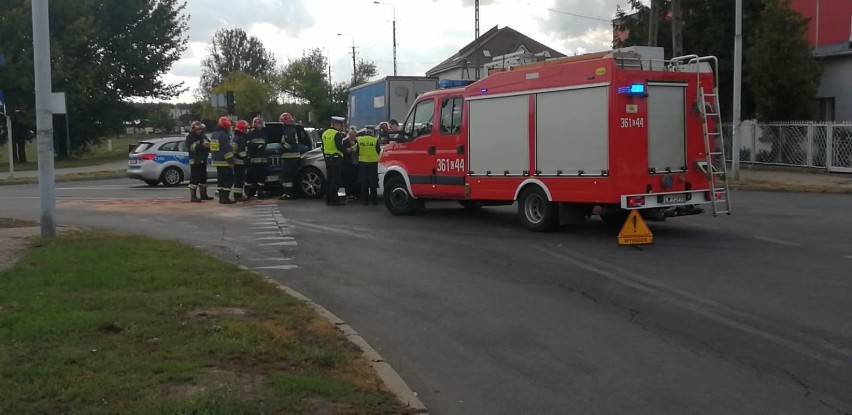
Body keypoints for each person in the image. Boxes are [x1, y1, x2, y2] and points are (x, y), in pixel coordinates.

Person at [321, 116, 347, 206]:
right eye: (340, 125)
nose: (341, 127)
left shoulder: (325, 133)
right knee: (335, 180)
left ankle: (328, 199)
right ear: (336, 124)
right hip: (336, 159)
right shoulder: (337, 134)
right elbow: (339, 146)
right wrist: (346, 150)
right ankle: (334, 200)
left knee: (329, 180)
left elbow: (323, 147)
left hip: (328, 159)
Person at [185, 121, 213, 202]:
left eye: (201, 129)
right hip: (195, 161)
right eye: (198, 129)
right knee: (194, 178)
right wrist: (201, 145)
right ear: (194, 129)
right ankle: (193, 196)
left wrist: (209, 146)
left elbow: (209, 144)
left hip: (203, 160)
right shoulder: (190, 137)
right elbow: (190, 147)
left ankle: (203, 195)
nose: (200, 131)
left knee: (203, 178)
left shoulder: (203, 136)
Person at [211, 116, 235, 204]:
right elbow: (226, 149)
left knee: (220, 180)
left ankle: (221, 198)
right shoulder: (224, 135)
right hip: (224, 161)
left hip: (216, 160)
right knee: (229, 179)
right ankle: (225, 198)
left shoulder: (214, 134)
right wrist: (231, 161)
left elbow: (213, 148)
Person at [278, 112, 302, 199]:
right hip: (292, 157)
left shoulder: (288, 130)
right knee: (289, 176)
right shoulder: (291, 129)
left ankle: (288, 194)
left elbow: (288, 144)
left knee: (287, 177)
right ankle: (290, 192)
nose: (281, 123)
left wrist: (280, 151)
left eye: (282, 121)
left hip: (290, 157)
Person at [357, 125, 381, 205]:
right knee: (373, 182)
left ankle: (365, 200)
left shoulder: (360, 140)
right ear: (372, 132)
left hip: (362, 163)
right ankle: (374, 200)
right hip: (373, 163)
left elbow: (357, 151)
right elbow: (379, 151)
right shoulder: (375, 140)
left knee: (364, 182)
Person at [246, 116, 268, 199]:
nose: (261, 125)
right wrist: (257, 146)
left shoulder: (263, 134)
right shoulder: (250, 134)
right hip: (252, 161)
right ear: (255, 124)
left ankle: (260, 192)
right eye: (260, 124)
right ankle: (249, 193)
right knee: (249, 177)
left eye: (261, 124)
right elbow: (248, 145)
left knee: (261, 177)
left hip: (263, 161)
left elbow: (265, 145)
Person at [231, 119, 250, 201]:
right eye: (245, 129)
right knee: (239, 180)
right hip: (240, 162)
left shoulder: (236, 137)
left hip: (236, 161)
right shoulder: (240, 138)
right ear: (242, 129)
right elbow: (242, 152)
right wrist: (247, 161)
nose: (246, 131)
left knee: (238, 179)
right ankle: (238, 196)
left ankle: (237, 194)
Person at [342, 129, 360, 202]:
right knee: (348, 180)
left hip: (355, 163)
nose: (354, 137)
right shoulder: (345, 141)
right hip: (348, 163)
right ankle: (348, 194)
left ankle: (354, 194)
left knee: (354, 179)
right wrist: (351, 149)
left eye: (355, 135)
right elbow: (345, 151)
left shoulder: (356, 141)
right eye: (353, 135)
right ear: (349, 135)